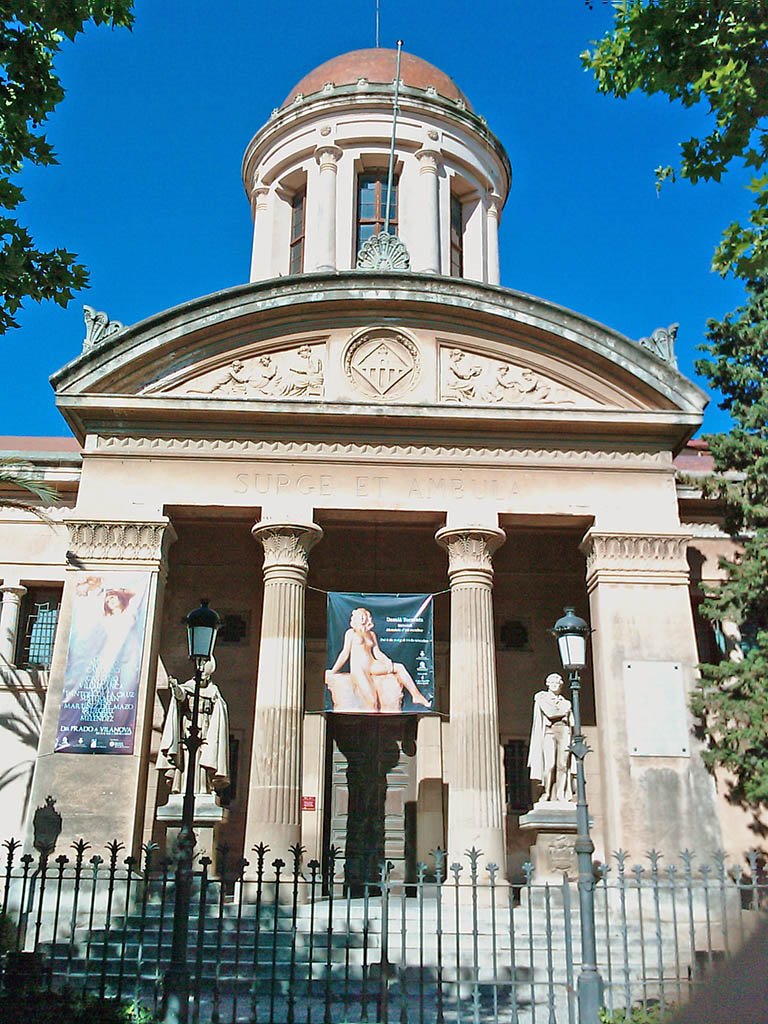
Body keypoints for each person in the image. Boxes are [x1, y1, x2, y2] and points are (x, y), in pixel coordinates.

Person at [325, 607, 431, 713]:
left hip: (372, 665)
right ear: (355, 618)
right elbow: (344, 653)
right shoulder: (351, 633)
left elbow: (377, 652)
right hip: (359, 669)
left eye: (364, 615)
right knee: (372, 701)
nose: (362, 617)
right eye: (360, 615)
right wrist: (333, 671)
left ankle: (416, 696)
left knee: (399, 667)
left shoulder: (371, 634)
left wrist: (386, 661)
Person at [157, 656, 230, 796]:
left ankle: (204, 788)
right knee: (187, 756)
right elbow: (181, 696)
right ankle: (183, 788)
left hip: (206, 727)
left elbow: (220, 709)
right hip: (189, 726)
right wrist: (175, 687)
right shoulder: (188, 686)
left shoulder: (213, 690)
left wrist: (216, 703)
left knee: (205, 756)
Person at [527, 672, 575, 803]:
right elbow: (550, 712)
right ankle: (546, 792)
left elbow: (571, 721)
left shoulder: (566, 702)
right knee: (549, 764)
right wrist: (562, 711)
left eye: (557, 683)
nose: (554, 685)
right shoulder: (542, 698)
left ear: (561, 685)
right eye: (552, 682)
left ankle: (560, 793)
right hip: (549, 732)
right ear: (547, 684)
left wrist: (560, 711)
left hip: (564, 731)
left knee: (563, 765)